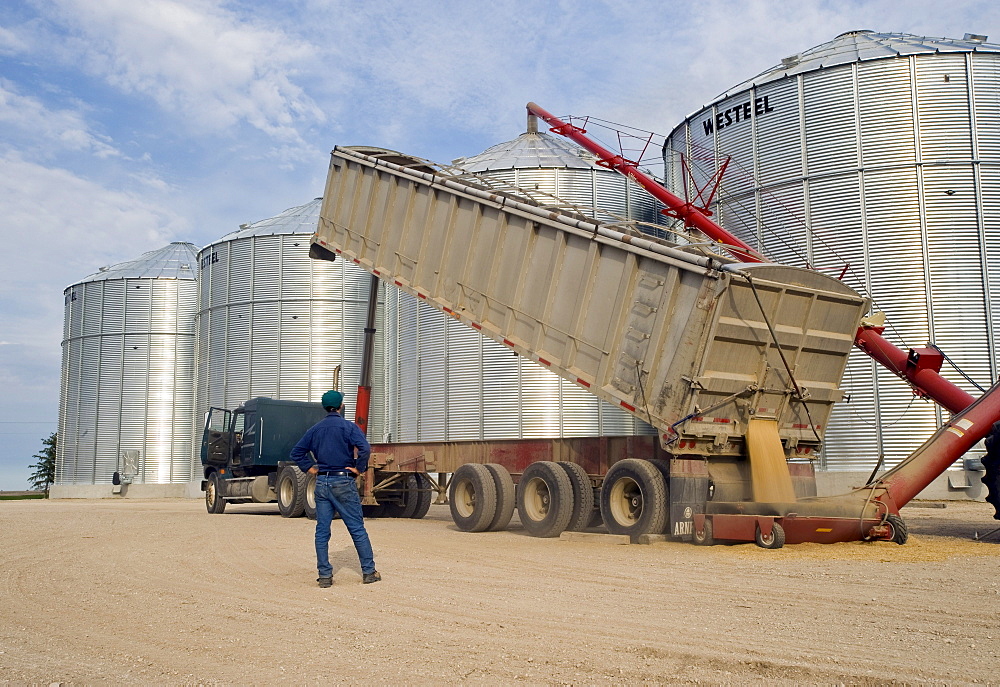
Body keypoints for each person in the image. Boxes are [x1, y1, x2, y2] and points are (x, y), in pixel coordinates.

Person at [290, 389, 380, 587]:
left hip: (322, 483)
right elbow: (364, 448)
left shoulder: (315, 429)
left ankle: (324, 576)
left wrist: (310, 468)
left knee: (322, 531)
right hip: (343, 481)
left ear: (325, 407)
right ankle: (368, 572)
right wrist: (359, 468)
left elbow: (296, 452)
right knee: (356, 527)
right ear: (341, 406)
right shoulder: (349, 427)